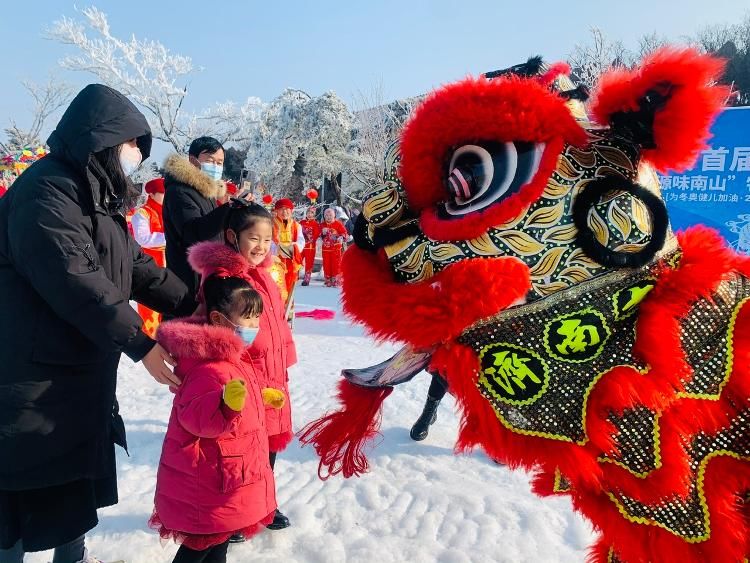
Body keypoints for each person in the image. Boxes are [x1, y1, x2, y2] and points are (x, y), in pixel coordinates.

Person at [0, 84, 192, 563]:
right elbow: (76, 279)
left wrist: (198, 303)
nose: (134, 157)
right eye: (131, 146)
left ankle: (74, 556)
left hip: (78, 371)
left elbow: (135, 269)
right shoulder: (46, 190)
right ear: (102, 141)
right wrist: (141, 343)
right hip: (33, 375)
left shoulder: (97, 198)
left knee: (74, 481)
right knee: (22, 494)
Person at [151, 275, 285, 563]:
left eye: (258, 318)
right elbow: (197, 419)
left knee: (218, 545)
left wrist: (258, 397)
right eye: (247, 318)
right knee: (199, 549)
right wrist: (227, 406)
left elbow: (235, 391)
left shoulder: (232, 357)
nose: (255, 327)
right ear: (219, 319)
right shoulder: (208, 367)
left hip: (224, 478)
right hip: (208, 481)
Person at [188, 200, 297, 536]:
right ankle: (236, 512)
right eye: (254, 238)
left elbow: (276, 320)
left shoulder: (264, 273)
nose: (262, 247)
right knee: (241, 449)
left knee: (268, 446)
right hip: (246, 373)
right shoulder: (223, 279)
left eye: (268, 240)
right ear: (233, 236)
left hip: (273, 372)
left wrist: (285, 355)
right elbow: (225, 333)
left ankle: (264, 504)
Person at [163, 136, 232, 304]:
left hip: (207, 275)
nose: (215, 167)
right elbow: (193, 232)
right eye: (210, 160)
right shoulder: (179, 191)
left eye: (220, 162)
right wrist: (228, 209)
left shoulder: (205, 191)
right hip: (188, 279)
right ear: (193, 161)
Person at [131, 177, 168, 337]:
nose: (166, 197)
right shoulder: (143, 213)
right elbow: (142, 238)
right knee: (150, 308)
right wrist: (169, 237)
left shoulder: (167, 212)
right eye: (162, 193)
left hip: (168, 267)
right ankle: (150, 340)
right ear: (152, 194)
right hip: (150, 266)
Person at [271, 198, 304, 301]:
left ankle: (288, 309)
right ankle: (277, 310)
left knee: (290, 285)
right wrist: (278, 249)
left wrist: (289, 248)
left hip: (291, 261)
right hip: (275, 261)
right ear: (276, 211)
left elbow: (301, 242)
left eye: (287, 209)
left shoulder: (296, 225)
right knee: (276, 285)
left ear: (292, 211)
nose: (284, 212)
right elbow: (268, 242)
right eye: (281, 209)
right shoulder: (270, 224)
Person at [320, 207, 348, 287]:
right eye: (327, 215)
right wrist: (322, 233)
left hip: (336, 249)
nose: (328, 217)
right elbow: (317, 234)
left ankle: (336, 280)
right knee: (326, 264)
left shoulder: (338, 224)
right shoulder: (322, 225)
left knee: (336, 264)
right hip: (326, 249)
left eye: (330, 215)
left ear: (334, 216)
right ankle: (328, 280)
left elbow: (345, 233)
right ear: (324, 216)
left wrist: (341, 237)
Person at [299, 206, 321, 286]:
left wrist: (310, 238)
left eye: (311, 213)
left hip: (310, 246)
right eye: (308, 212)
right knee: (298, 260)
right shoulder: (302, 222)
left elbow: (316, 234)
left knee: (309, 263)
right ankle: (295, 275)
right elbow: (297, 232)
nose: (309, 214)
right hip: (301, 246)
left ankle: (307, 278)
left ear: (314, 214)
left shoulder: (315, 224)